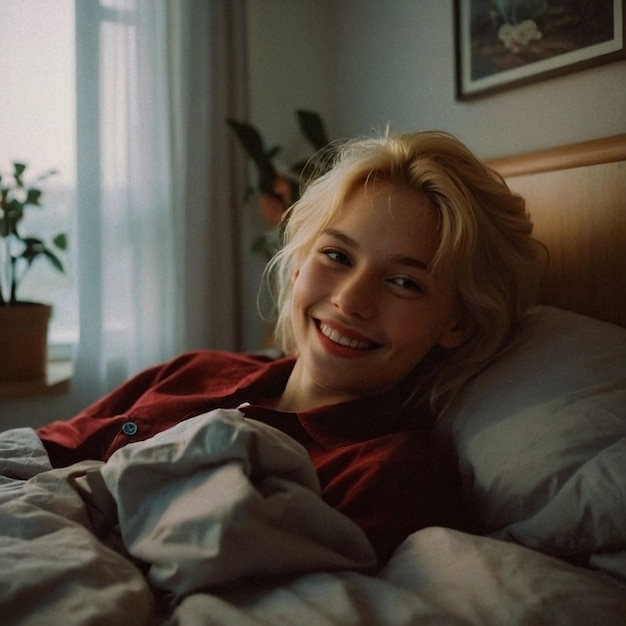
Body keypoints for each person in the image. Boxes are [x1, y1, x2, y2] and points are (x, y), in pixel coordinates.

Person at [37, 130, 546, 565]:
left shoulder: (392, 477)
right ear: (300, 262)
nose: (350, 300)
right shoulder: (194, 370)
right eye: (336, 254)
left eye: (405, 283)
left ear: (456, 322)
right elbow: (43, 452)